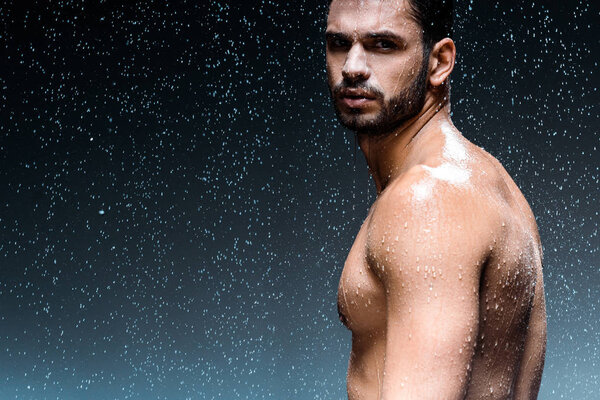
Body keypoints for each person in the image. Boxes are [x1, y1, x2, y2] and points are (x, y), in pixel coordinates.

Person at [326, 0, 547, 398]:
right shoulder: (488, 183)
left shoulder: (426, 201)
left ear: (439, 62)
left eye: (383, 45)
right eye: (339, 43)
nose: (352, 66)